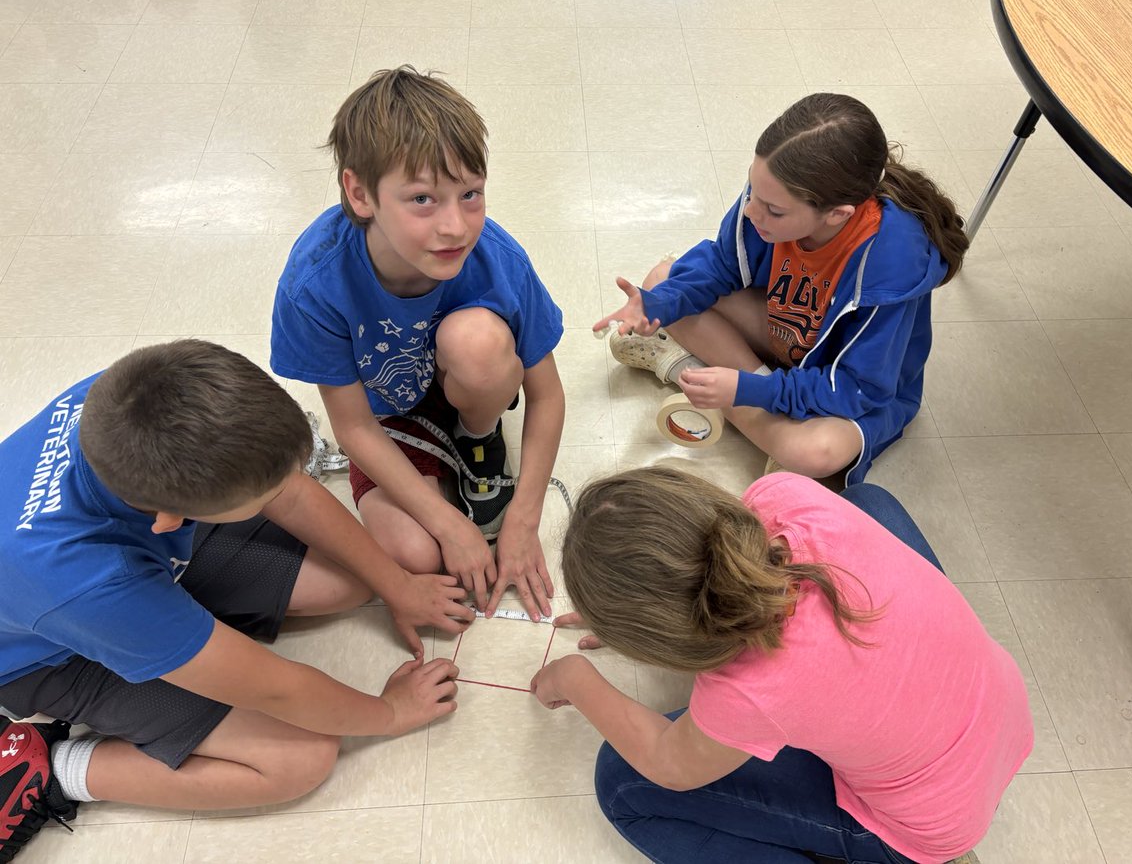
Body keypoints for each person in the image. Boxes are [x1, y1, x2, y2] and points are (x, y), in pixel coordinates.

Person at [0, 340, 470, 857]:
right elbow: (278, 690)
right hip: (53, 657)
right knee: (302, 757)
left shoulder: (135, 396)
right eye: (261, 500)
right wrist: (390, 712)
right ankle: (56, 770)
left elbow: (287, 491)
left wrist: (398, 588)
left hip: (118, 572)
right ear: (171, 518)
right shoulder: (90, 584)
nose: (280, 494)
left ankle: (181, 634)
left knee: (355, 579)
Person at [532, 466, 1032, 864]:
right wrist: (645, 612)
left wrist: (575, 680)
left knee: (621, 783)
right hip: (1000, 711)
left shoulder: (746, 691)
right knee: (870, 502)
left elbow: (669, 765)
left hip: (927, 827)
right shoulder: (785, 496)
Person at [271, 66, 565, 621]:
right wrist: (449, 525)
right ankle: (446, 471)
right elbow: (353, 426)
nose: (455, 226)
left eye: (470, 194)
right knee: (414, 553)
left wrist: (524, 519)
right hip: (384, 417)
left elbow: (547, 394)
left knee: (476, 342)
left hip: (468, 379)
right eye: (423, 199)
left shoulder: (498, 259)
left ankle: (477, 440)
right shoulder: (315, 282)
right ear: (360, 194)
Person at [598, 93, 968, 488]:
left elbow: (857, 388)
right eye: (753, 193)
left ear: (837, 214)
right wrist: (655, 305)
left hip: (844, 385)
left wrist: (748, 388)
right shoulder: (769, 198)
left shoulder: (889, 265)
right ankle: (755, 415)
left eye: (774, 210)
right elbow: (720, 266)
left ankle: (685, 368)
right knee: (663, 280)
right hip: (786, 343)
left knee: (817, 452)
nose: (752, 212)